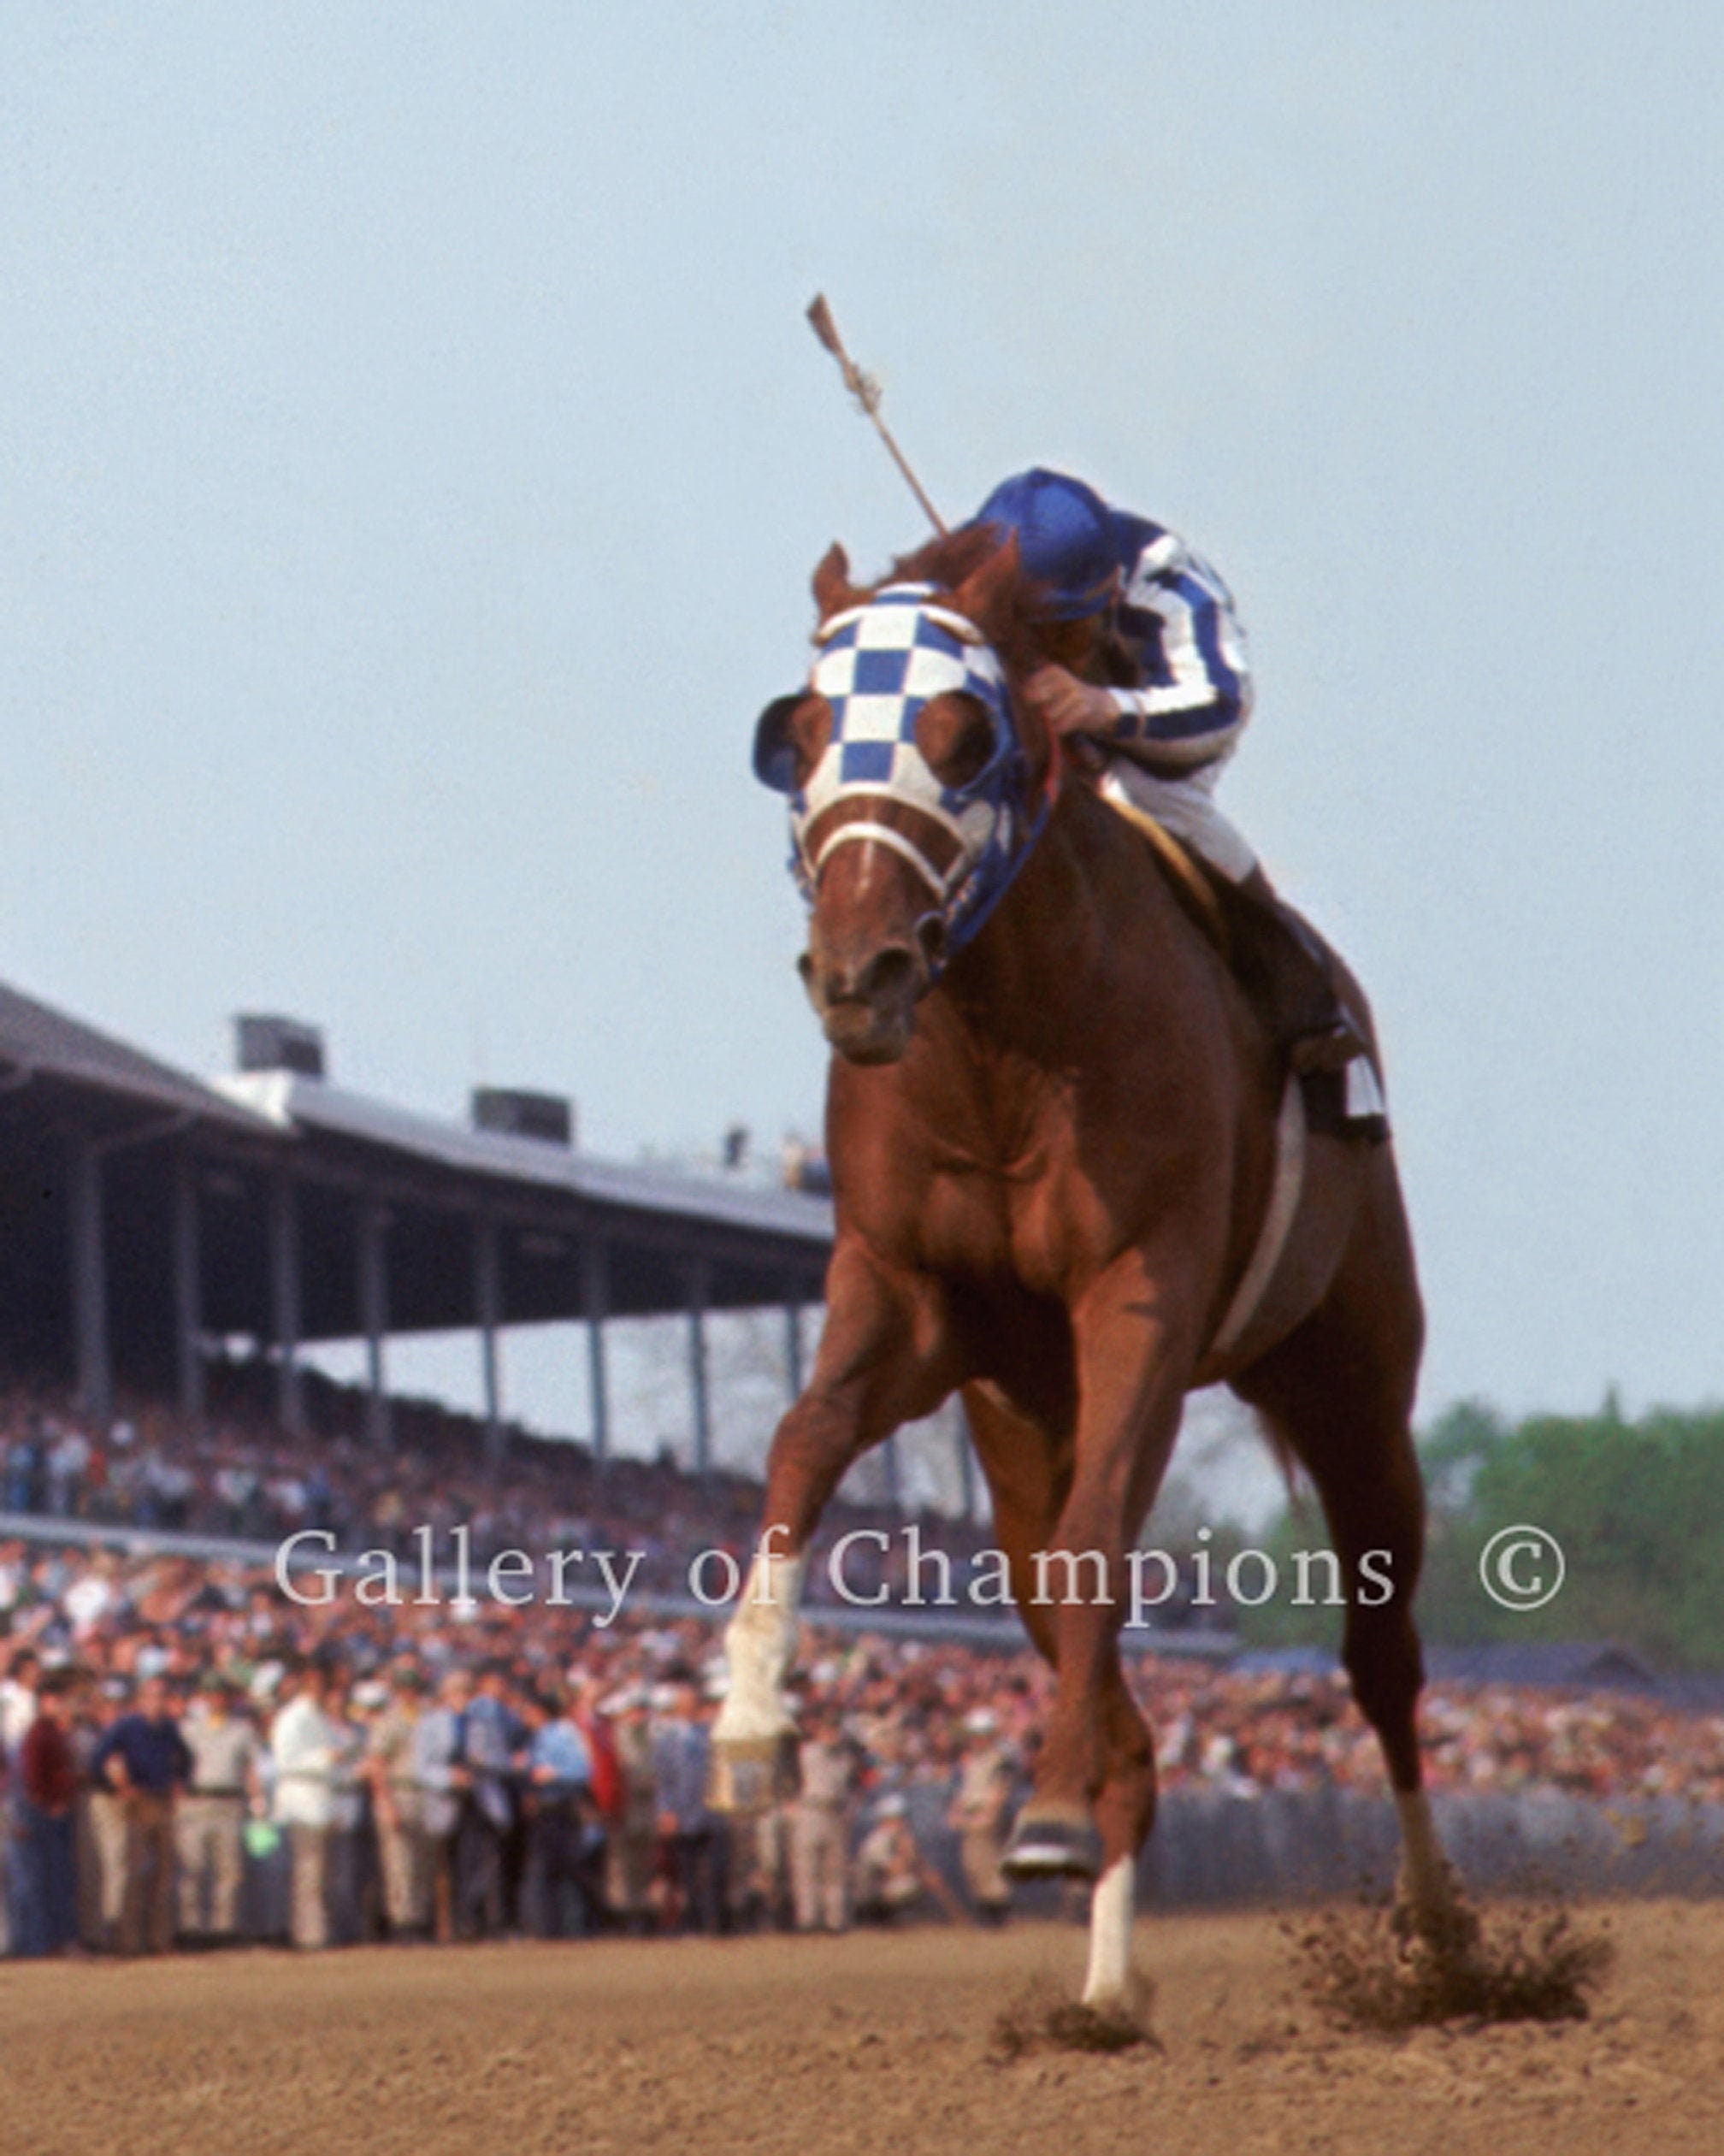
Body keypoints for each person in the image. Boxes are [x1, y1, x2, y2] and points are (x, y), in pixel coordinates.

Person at [972, 469, 1367, 1075]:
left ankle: (1300, 984)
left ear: (1106, 594)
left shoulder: (1173, 589)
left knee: (1132, 794)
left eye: (1056, 630)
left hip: (1160, 745)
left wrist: (1104, 708)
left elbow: (1221, 706)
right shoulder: (972, 575)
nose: (1039, 647)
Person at [92, 1672, 192, 1954]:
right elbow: (98, 1759)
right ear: (140, 1701)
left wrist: (179, 1781)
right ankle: (128, 1939)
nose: (157, 1703)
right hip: (137, 1802)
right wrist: (118, 1787)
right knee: (133, 1873)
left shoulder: (168, 1728)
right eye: (151, 1697)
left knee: (163, 1874)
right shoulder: (126, 1726)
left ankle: (159, 1938)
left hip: (161, 1800)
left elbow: (186, 1758)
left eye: (161, 1697)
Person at [176, 1675, 263, 1946]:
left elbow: (251, 1768)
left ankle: (223, 1928)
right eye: (211, 1695)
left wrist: (258, 1801)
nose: (217, 1700)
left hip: (230, 1801)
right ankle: (191, 1928)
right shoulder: (188, 1729)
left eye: (221, 1695)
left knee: (229, 1870)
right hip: (196, 1801)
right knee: (192, 1868)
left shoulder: (242, 1730)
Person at [13, 1666, 82, 1956]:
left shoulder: (54, 1733)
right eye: (57, 1700)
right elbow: (32, 1777)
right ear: (44, 1701)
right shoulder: (38, 1734)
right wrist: (48, 1801)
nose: (62, 1706)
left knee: (54, 1880)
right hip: (40, 1813)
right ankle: (39, 1943)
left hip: (51, 1809)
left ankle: (51, 1941)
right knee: (40, 1881)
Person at [270, 1658, 337, 1950]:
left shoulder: (316, 1716)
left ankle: (314, 1930)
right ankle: (308, 1934)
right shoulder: (293, 1717)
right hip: (301, 1801)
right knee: (307, 1871)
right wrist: (325, 1758)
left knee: (316, 1872)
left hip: (320, 1799)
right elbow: (285, 1761)